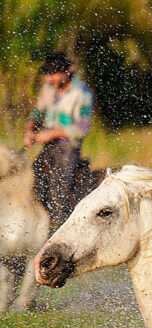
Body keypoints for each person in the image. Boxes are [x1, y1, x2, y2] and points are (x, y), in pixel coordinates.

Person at [23, 52, 93, 225]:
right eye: (47, 74)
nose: (49, 78)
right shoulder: (49, 88)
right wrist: (30, 129)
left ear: (67, 71)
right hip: (48, 148)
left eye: (53, 74)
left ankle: (58, 226)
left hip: (68, 149)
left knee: (58, 193)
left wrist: (52, 133)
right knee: (31, 183)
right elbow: (37, 112)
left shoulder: (82, 93)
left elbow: (81, 129)